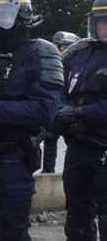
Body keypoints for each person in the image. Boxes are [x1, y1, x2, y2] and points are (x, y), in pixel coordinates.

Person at [0, 0, 62, 240]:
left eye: (2, 16)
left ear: (21, 18)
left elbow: (46, 109)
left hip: (12, 157)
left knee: (12, 232)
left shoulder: (41, 53)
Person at [54, 0, 107, 240]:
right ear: (94, 23)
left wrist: (80, 112)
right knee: (76, 215)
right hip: (77, 146)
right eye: (103, 21)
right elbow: (56, 86)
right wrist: (61, 110)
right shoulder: (79, 52)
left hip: (104, 147)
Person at [43, 31, 82, 174]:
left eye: (67, 46)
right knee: (49, 138)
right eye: (62, 46)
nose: (63, 49)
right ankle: (47, 172)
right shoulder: (57, 65)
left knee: (74, 145)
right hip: (57, 109)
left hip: (72, 112)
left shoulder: (80, 67)